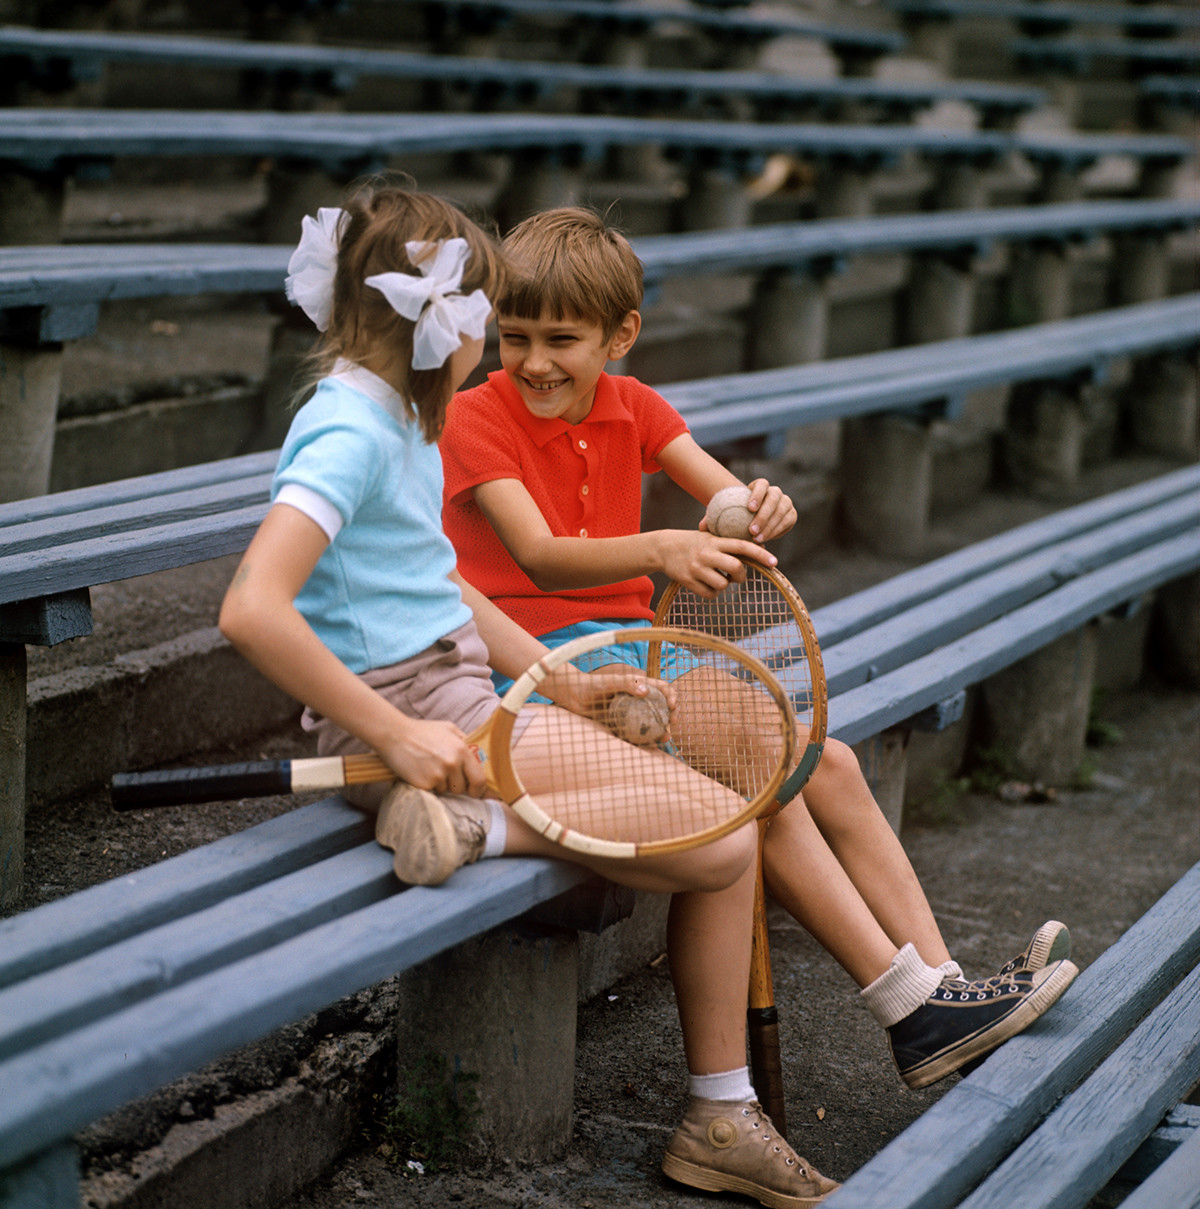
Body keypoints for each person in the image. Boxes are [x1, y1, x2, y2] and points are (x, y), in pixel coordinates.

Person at [218, 179, 839, 1209]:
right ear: (438, 324)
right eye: (482, 321)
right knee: (727, 842)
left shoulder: (399, 418)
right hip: (417, 716)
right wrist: (396, 737)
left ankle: (720, 1114)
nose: (491, 352)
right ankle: (479, 840)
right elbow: (252, 609)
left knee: (726, 820)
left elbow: (443, 585)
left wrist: (567, 682)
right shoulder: (353, 433)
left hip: (469, 692)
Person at [438, 206, 1080, 1115]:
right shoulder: (476, 417)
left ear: (620, 335)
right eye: (515, 337)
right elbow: (538, 554)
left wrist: (757, 502)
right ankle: (909, 1008)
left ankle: (945, 990)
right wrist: (663, 548)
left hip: (643, 653)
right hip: (543, 669)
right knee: (764, 781)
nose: (535, 360)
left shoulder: (637, 405)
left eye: (562, 339)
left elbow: (722, 492)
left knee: (835, 761)